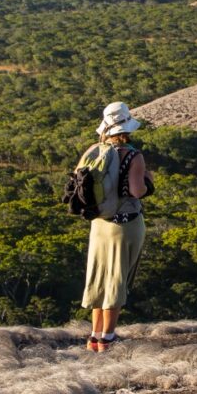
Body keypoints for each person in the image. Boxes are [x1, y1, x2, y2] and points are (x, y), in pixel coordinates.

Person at [78, 102, 151, 352]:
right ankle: (108, 338)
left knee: (99, 277)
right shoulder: (132, 155)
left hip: (99, 224)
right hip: (125, 225)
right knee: (117, 281)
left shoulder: (93, 151)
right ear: (127, 127)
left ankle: (95, 336)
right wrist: (148, 179)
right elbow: (136, 191)